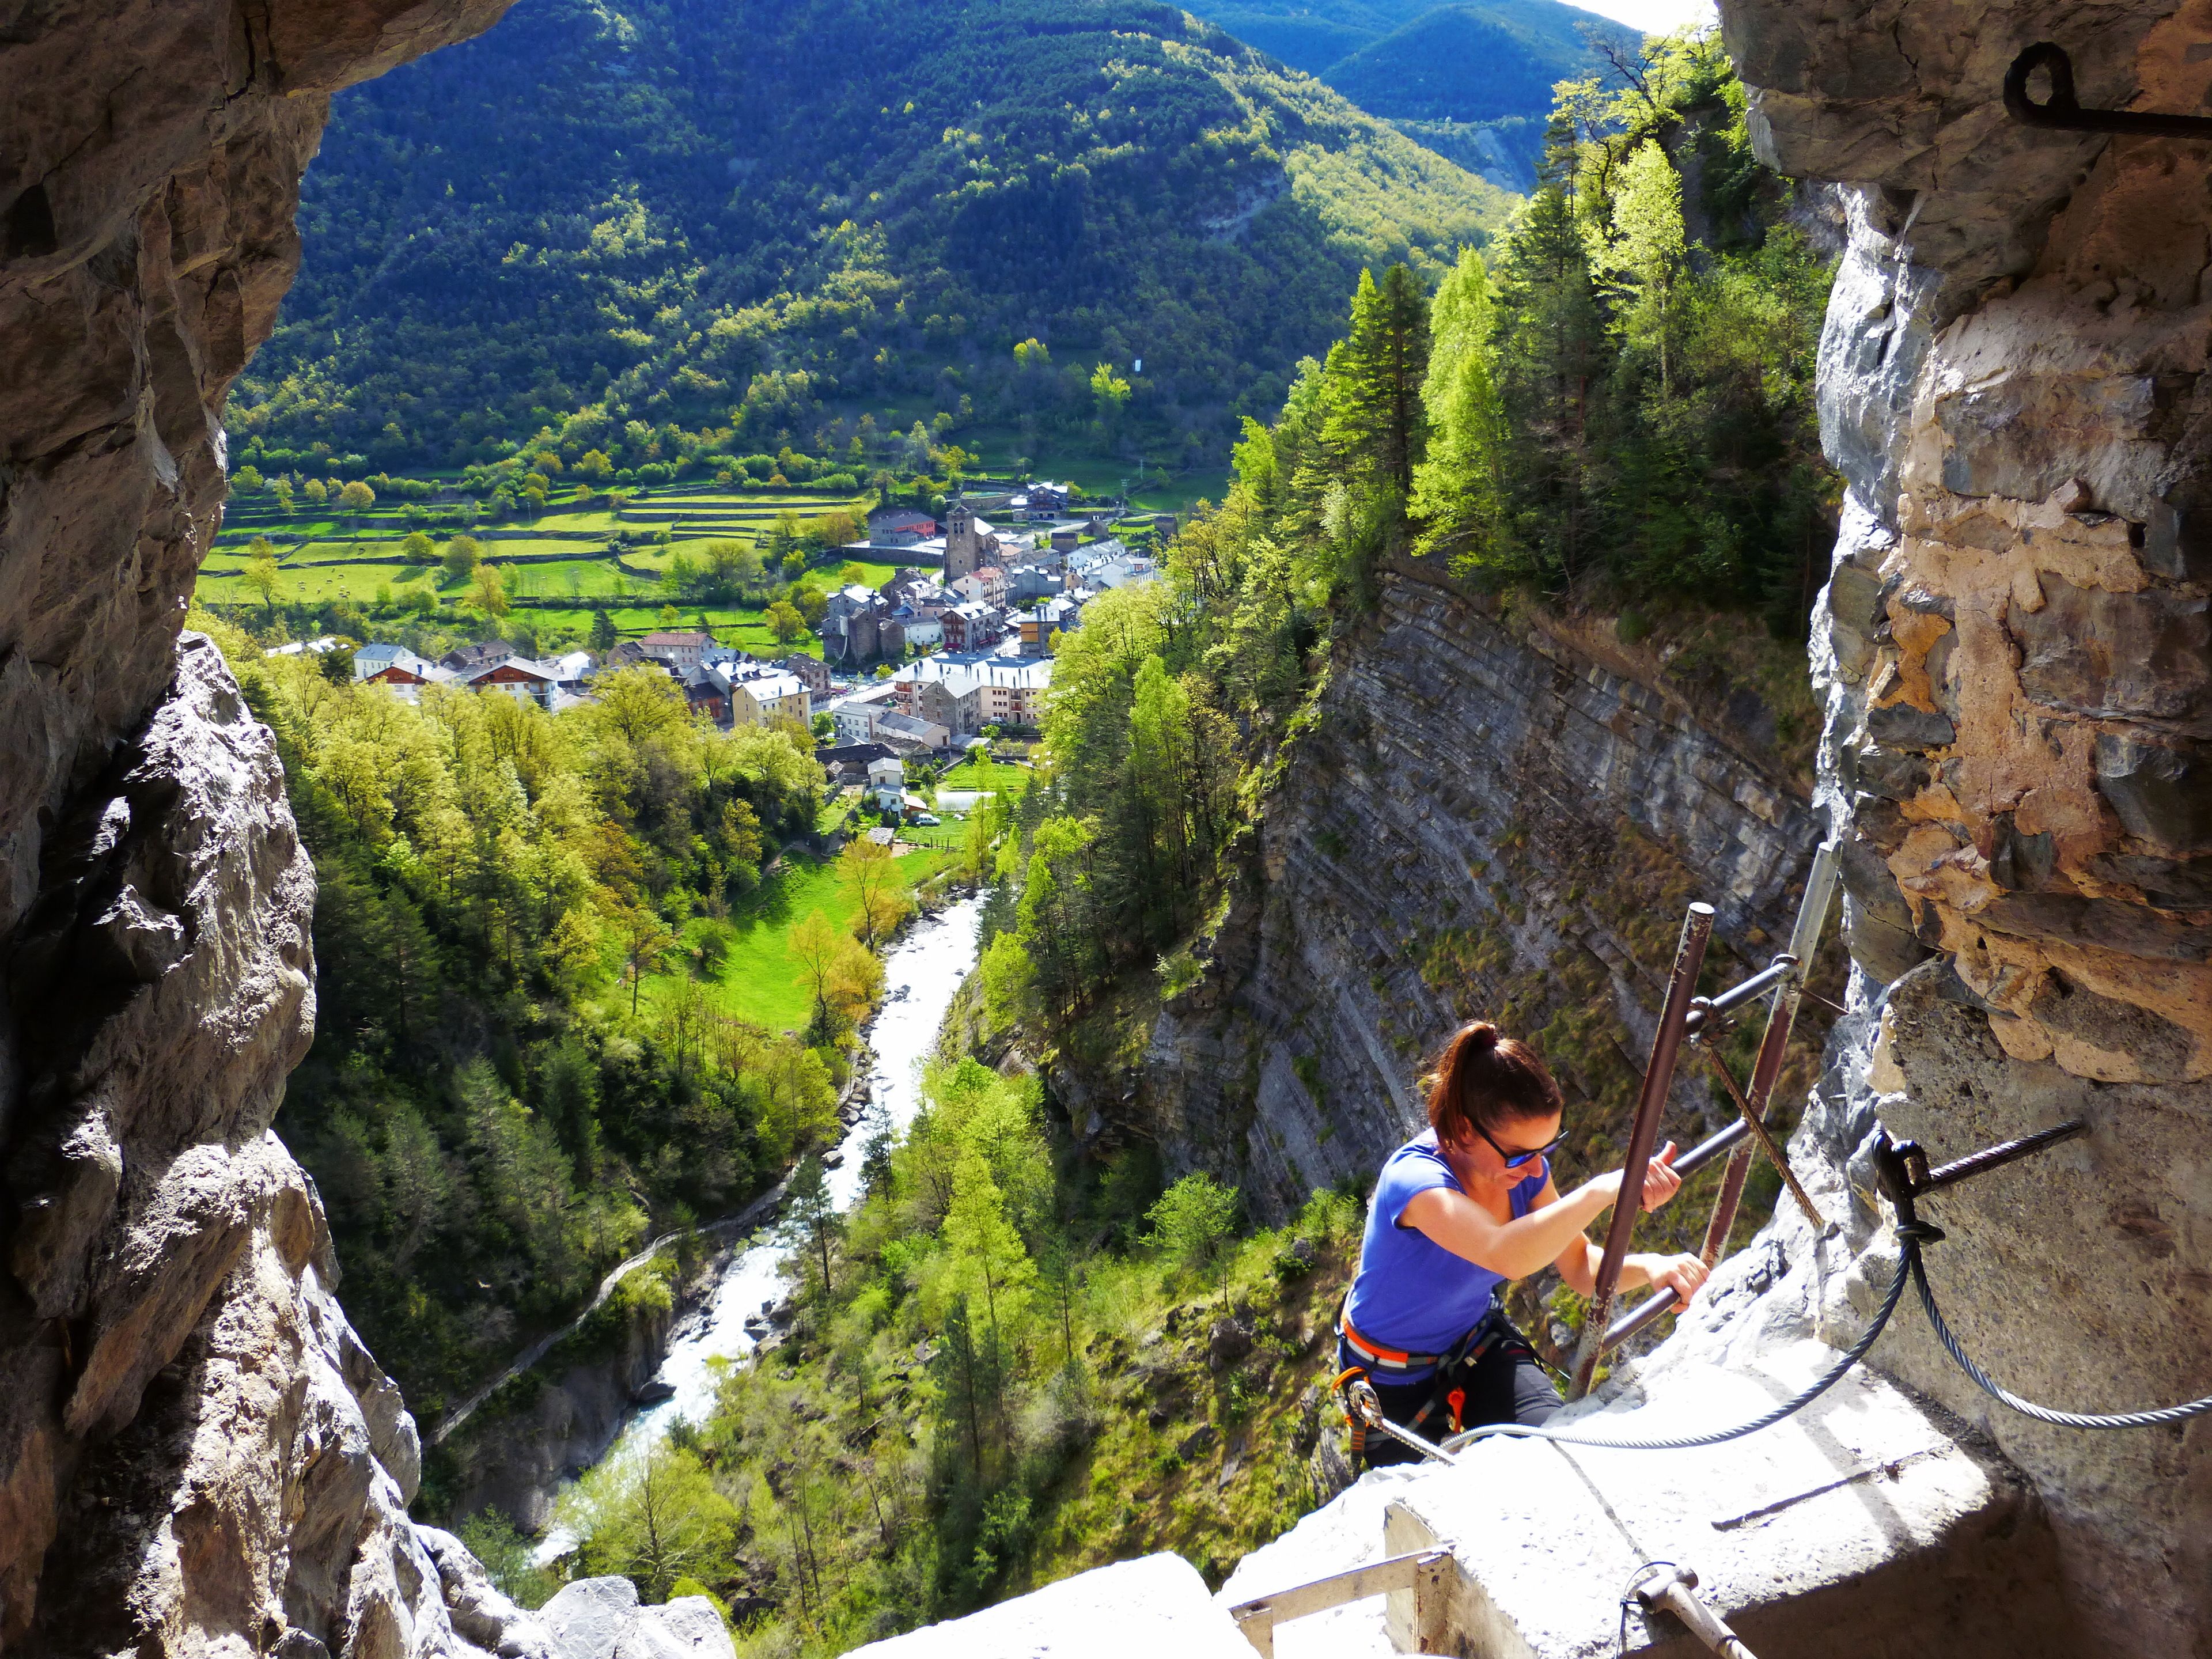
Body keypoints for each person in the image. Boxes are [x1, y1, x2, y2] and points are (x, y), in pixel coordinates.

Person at [1337, 1021, 1710, 1464]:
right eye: (1520, 1155)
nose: (1536, 1170)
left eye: (1546, 1150)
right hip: (1389, 1379)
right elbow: (1505, 1254)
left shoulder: (1523, 1175)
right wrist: (1604, 1189)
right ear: (1464, 1129)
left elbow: (1581, 1268)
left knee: (1555, 1452)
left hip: (1475, 1342)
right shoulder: (1415, 1181)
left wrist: (1653, 1268)